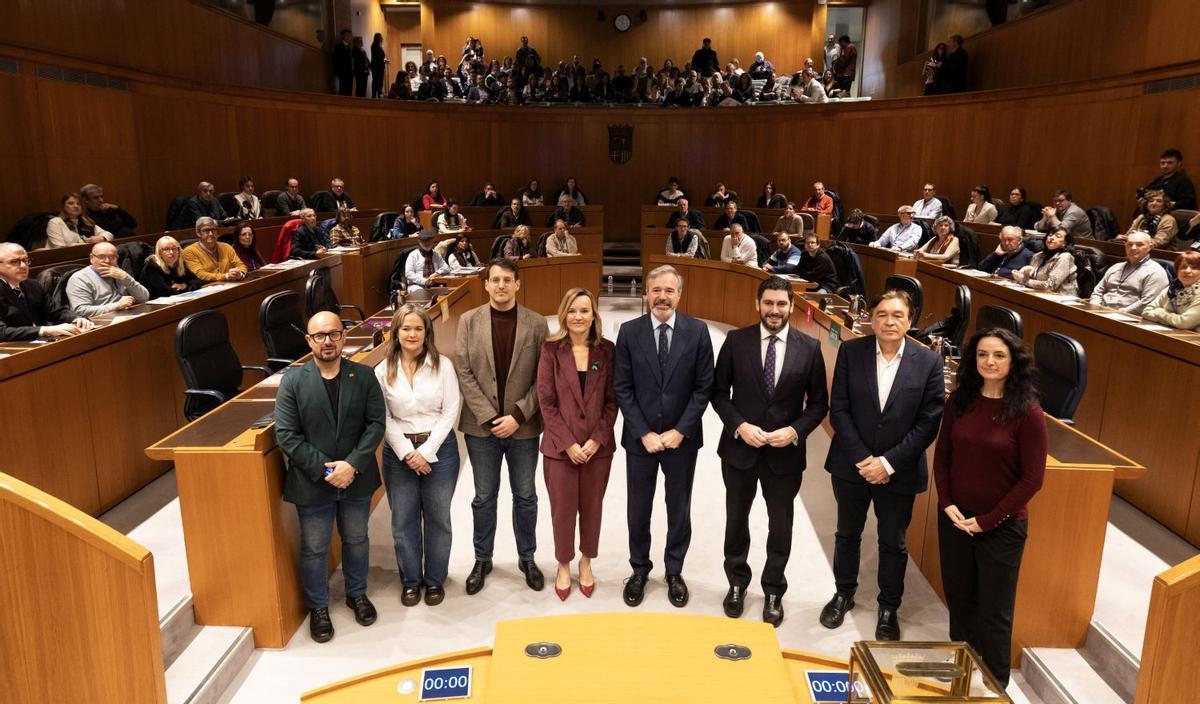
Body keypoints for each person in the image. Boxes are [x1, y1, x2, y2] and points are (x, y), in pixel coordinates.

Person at [822, 289, 945, 641]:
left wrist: (888, 463)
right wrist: (864, 459)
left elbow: (928, 422)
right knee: (847, 533)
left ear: (910, 321)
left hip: (900, 471)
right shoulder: (851, 350)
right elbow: (839, 409)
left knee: (893, 542)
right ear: (871, 318)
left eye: (897, 315)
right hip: (852, 466)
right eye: (882, 314)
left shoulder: (929, 363)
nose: (889, 322)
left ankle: (889, 607)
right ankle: (843, 593)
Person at [712, 277, 827, 626]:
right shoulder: (736, 341)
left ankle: (774, 588)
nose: (774, 311)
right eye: (769, 303)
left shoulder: (810, 347)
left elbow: (819, 403)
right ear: (757, 304)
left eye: (781, 304)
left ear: (791, 306)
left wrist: (794, 431)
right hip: (739, 451)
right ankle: (736, 582)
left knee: (781, 525)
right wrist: (739, 426)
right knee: (736, 520)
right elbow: (718, 393)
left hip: (784, 456)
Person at [935, 328, 1046, 686]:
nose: (990, 362)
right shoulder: (960, 402)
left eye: (998, 355)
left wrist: (987, 521)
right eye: (983, 354)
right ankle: (960, 670)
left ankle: (995, 683)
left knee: (994, 610)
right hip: (955, 520)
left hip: (1002, 527)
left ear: (1013, 361)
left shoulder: (1028, 413)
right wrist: (947, 503)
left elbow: (1032, 480)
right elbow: (943, 458)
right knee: (960, 600)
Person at [275, 311, 385, 643]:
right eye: (319, 336)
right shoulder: (293, 381)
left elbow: (375, 424)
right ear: (309, 341)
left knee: (356, 539)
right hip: (313, 482)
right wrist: (328, 470)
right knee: (314, 548)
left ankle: (357, 594)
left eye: (334, 334)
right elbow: (287, 435)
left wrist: (351, 465)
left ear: (343, 337)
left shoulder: (364, 376)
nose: (327, 342)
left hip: (357, 478)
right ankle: (318, 607)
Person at [614, 264, 715, 608]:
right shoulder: (628, 332)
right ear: (646, 293)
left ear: (679, 295)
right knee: (638, 509)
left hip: (681, 442)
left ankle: (674, 570)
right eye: (656, 290)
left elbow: (704, 388)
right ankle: (639, 569)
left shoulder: (698, 331)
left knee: (679, 508)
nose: (662, 296)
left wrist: (679, 431)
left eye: (669, 290)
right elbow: (622, 388)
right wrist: (643, 432)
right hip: (640, 442)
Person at [455, 258, 550, 595]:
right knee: (484, 497)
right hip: (481, 430)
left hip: (522, 428)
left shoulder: (537, 324)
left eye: (507, 280)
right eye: (494, 280)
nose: (500, 286)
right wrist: (489, 416)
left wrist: (518, 416)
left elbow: (544, 376)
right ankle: (483, 558)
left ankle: (527, 557)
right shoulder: (468, 321)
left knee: (525, 496)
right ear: (486, 284)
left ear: (517, 284)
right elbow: (463, 371)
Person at [376, 303, 461, 608]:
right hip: (398, 455)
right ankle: (411, 581)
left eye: (418, 328)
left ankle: (435, 580)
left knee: (438, 519)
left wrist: (425, 451)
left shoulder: (444, 366)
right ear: (395, 333)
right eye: (406, 328)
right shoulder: (382, 371)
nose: (412, 334)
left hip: (440, 451)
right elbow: (383, 417)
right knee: (403, 522)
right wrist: (407, 453)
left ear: (427, 333)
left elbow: (451, 409)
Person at [536, 288, 617, 600]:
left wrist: (596, 440)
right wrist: (568, 443)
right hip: (560, 450)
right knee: (563, 510)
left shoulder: (607, 351)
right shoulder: (551, 350)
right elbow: (546, 402)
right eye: (573, 311)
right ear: (563, 315)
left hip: (598, 450)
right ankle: (563, 563)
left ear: (594, 315)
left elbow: (612, 401)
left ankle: (586, 562)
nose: (579, 317)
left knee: (592, 508)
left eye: (585, 311)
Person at [0, 243, 93, 340]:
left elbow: (55, 311)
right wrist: (44, 330)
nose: (23, 266)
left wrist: (76, 318)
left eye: (25, 260)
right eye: (14, 262)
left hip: (38, 344)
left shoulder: (32, 285)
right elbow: (2, 332)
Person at [1089, 231, 1169, 314]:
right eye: (1129, 244)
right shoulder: (1115, 267)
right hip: (1101, 312)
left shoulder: (1156, 272)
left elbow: (1147, 302)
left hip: (1129, 318)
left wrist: (1121, 312)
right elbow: (1098, 291)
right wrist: (1095, 306)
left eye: (1139, 244)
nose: (1133, 248)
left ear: (1150, 247)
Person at [65, 242, 150, 318]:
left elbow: (144, 298)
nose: (107, 261)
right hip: (101, 321)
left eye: (112, 257)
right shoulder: (79, 279)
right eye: (101, 257)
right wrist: (116, 305)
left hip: (125, 315)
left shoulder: (119, 273)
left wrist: (126, 278)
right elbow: (81, 311)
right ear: (92, 258)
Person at [1142, 251, 1200, 331]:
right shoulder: (1172, 288)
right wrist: (1173, 322)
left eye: (1194, 268)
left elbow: (1184, 323)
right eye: (1183, 267)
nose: (1187, 271)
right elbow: (1146, 312)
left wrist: (1160, 312)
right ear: (1177, 271)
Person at [1012, 227, 1078, 295]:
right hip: (1038, 294)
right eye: (1050, 235)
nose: (1051, 237)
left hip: (1061, 298)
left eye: (1057, 236)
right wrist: (1024, 274)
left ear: (1065, 243)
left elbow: (1050, 286)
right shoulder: (1038, 255)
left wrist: (1024, 280)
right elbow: (1033, 279)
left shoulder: (1065, 257)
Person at [182, 217, 247, 282]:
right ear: (198, 233)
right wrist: (226, 276)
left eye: (213, 229)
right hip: (208, 288)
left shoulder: (226, 247)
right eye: (206, 230)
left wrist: (240, 274)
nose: (211, 233)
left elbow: (240, 265)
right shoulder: (189, 251)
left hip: (230, 286)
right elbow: (200, 274)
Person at [47, 193, 113, 248]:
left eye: (78, 204)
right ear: (63, 207)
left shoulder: (86, 222)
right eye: (71, 203)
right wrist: (86, 244)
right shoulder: (55, 222)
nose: (76, 206)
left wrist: (102, 238)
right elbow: (59, 247)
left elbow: (109, 234)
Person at [333, 29, 354, 96]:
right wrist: (339, 72)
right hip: (342, 73)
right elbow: (336, 60)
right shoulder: (339, 47)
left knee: (349, 90)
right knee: (343, 90)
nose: (348, 37)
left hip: (349, 72)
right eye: (346, 35)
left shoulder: (349, 47)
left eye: (349, 36)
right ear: (342, 36)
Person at [370, 33, 388, 99]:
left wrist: (384, 60)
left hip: (380, 66)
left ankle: (379, 92)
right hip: (376, 66)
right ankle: (374, 94)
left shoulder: (379, 46)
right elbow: (376, 56)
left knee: (380, 80)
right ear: (377, 38)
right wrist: (383, 60)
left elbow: (381, 56)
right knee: (376, 80)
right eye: (381, 37)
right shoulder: (374, 46)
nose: (382, 38)